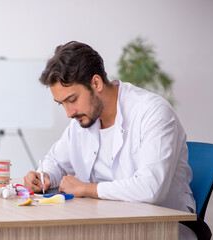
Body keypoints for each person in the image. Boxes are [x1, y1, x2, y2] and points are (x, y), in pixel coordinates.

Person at [24, 41, 196, 240]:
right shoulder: (82, 120)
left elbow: (151, 188)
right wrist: (43, 177)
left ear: (95, 83)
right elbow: (56, 163)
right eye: (61, 103)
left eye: (72, 100)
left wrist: (86, 188)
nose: (69, 112)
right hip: (105, 223)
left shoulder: (153, 112)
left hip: (159, 228)